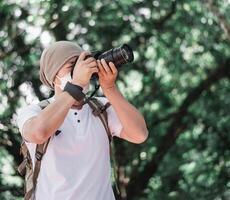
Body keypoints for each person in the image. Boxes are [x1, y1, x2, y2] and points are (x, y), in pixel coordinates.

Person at [16, 41, 148, 200]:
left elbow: (140, 134)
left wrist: (110, 89)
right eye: (73, 66)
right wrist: (76, 84)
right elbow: (38, 133)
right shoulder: (34, 112)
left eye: (83, 63)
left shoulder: (101, 108)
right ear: (55, 75)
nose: (82, 70)